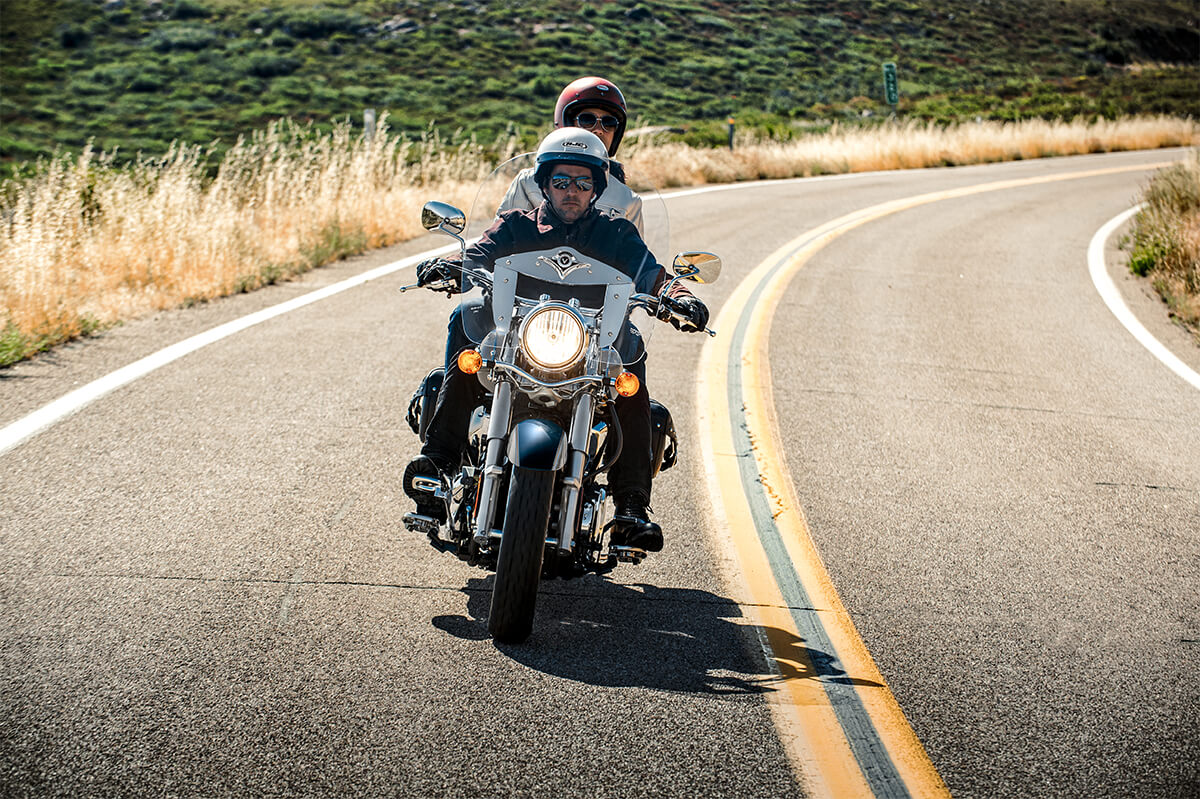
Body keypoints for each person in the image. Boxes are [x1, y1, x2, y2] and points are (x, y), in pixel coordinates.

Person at [405, 128, 709, 553]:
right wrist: (447, 264)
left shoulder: (617, 235)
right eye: (562, 182)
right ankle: (439, 462)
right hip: (521, 339)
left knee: (632, 354)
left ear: (596, 189)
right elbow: (477, 252)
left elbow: (651, 274)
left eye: (583, 183)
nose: (572, 191)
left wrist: (679, 297)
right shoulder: (515, 225)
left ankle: (631, 506)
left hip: (587, 345)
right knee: (466, 319)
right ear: (545, 185)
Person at [498, 76, 643, 232]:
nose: (599, 129)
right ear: (565, 121)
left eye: (609, 123)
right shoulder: (528, 182)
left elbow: (637, 254)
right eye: (587, 119)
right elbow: (500, 238)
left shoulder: (627, 199)